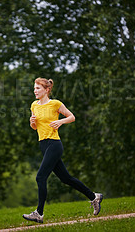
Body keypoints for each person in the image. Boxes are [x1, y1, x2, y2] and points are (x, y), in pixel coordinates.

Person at [22, 77, 103, 224]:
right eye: (34, 88)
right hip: (43, 145)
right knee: (66, 179)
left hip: (54, 144)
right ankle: (94, 197)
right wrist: (31, 123)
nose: (35, 90)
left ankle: (39, 214)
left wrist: (61, 121)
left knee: (40, 177)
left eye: (38, 88)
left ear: (47, 90)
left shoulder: (55, 104)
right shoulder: (34, 105)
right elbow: (35, 127)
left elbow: (72, 117)